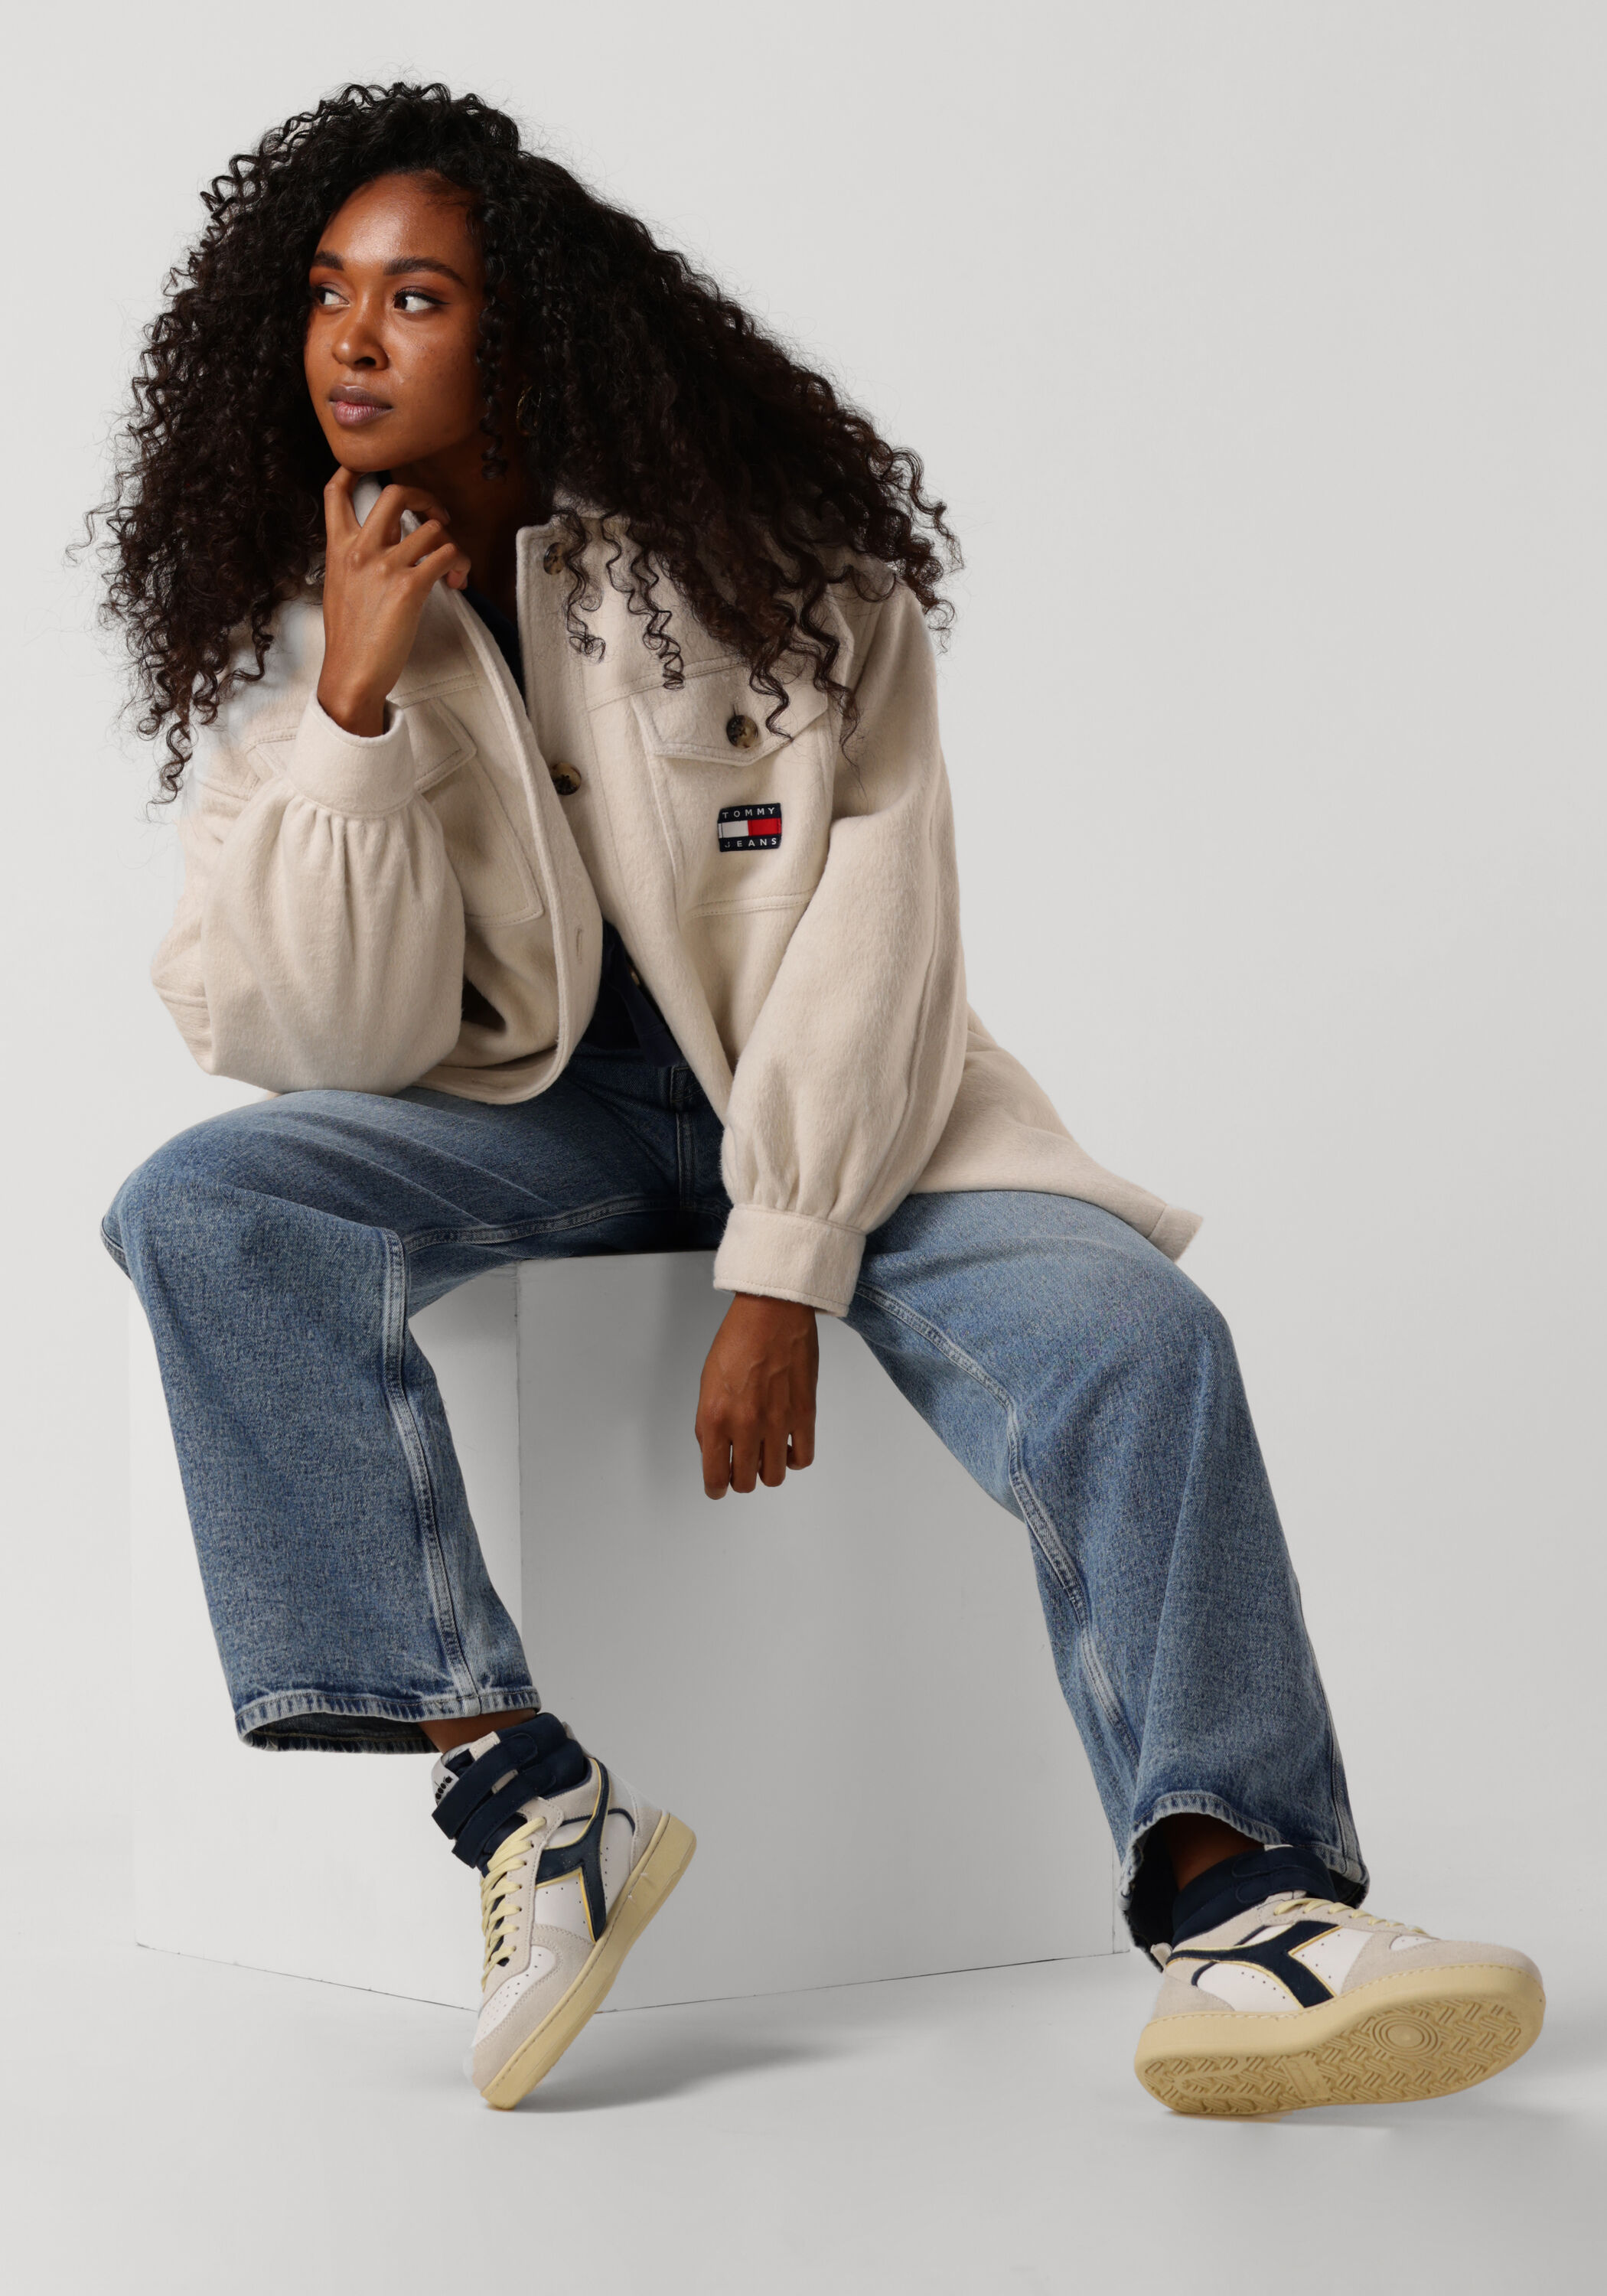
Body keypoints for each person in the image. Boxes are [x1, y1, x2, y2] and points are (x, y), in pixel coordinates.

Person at [94, 80, 1541, 2117]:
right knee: (206, 1200)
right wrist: (351, 705)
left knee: (1137, 1333)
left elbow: (875, 932)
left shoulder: (765, 569)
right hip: (538, 1122)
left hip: (861, 1115)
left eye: (415, 297)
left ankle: (1244, 1909)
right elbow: (314, 1037)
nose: (352, 340)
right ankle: (525, 1798)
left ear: (526, 330)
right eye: (328, 294)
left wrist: (781, 1261)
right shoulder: (305, 632)